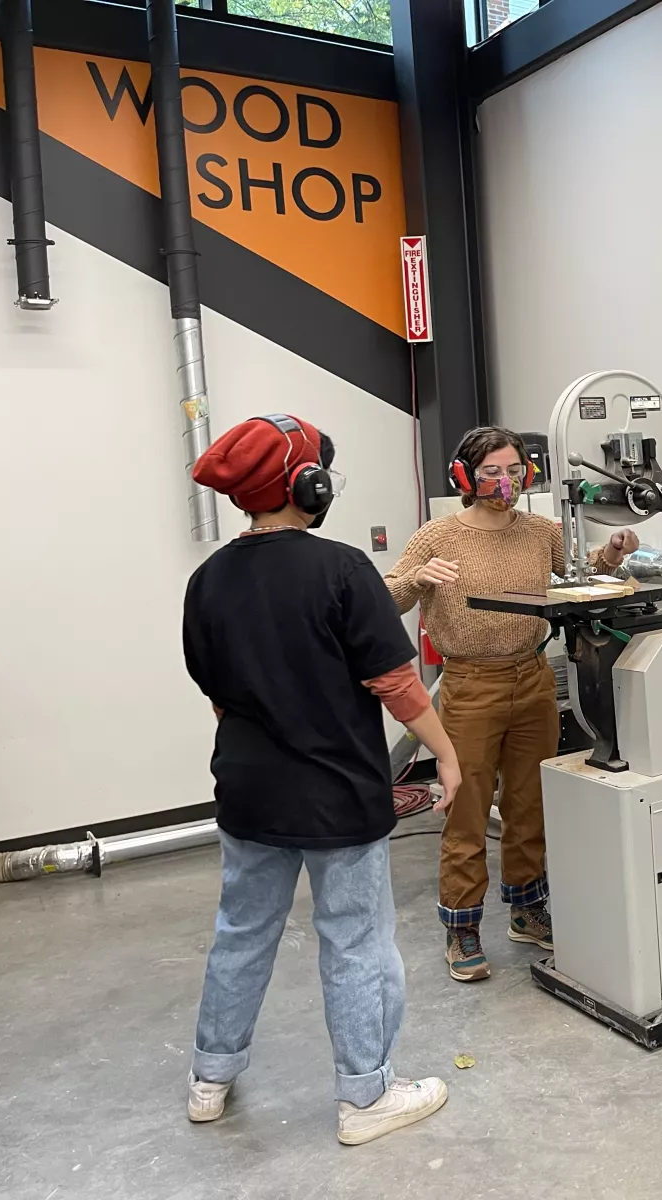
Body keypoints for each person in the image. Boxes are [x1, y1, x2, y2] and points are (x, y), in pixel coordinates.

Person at [182, 414, 462, 1146]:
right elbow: (395, 682)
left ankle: (211, 1075)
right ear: (305, 484)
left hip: (246, 792)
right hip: (336, 794)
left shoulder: (207, 579)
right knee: (356, 940)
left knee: (240, 931)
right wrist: (448, 754)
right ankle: (366, 1096)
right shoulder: (340, 568)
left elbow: (216, 694)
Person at [385, 426, 639, 982]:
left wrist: (615, 551)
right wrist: (417, 578)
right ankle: (462, 928)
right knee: (468, 810)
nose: (506, 482)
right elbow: (385, 596)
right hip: (469, 687)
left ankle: (526, 910)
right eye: (491, 472)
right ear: (465, 479)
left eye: (514, 469)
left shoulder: (539, 532)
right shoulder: (438, 536)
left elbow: (583, 571)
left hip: (533, 680)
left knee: (529, 805)